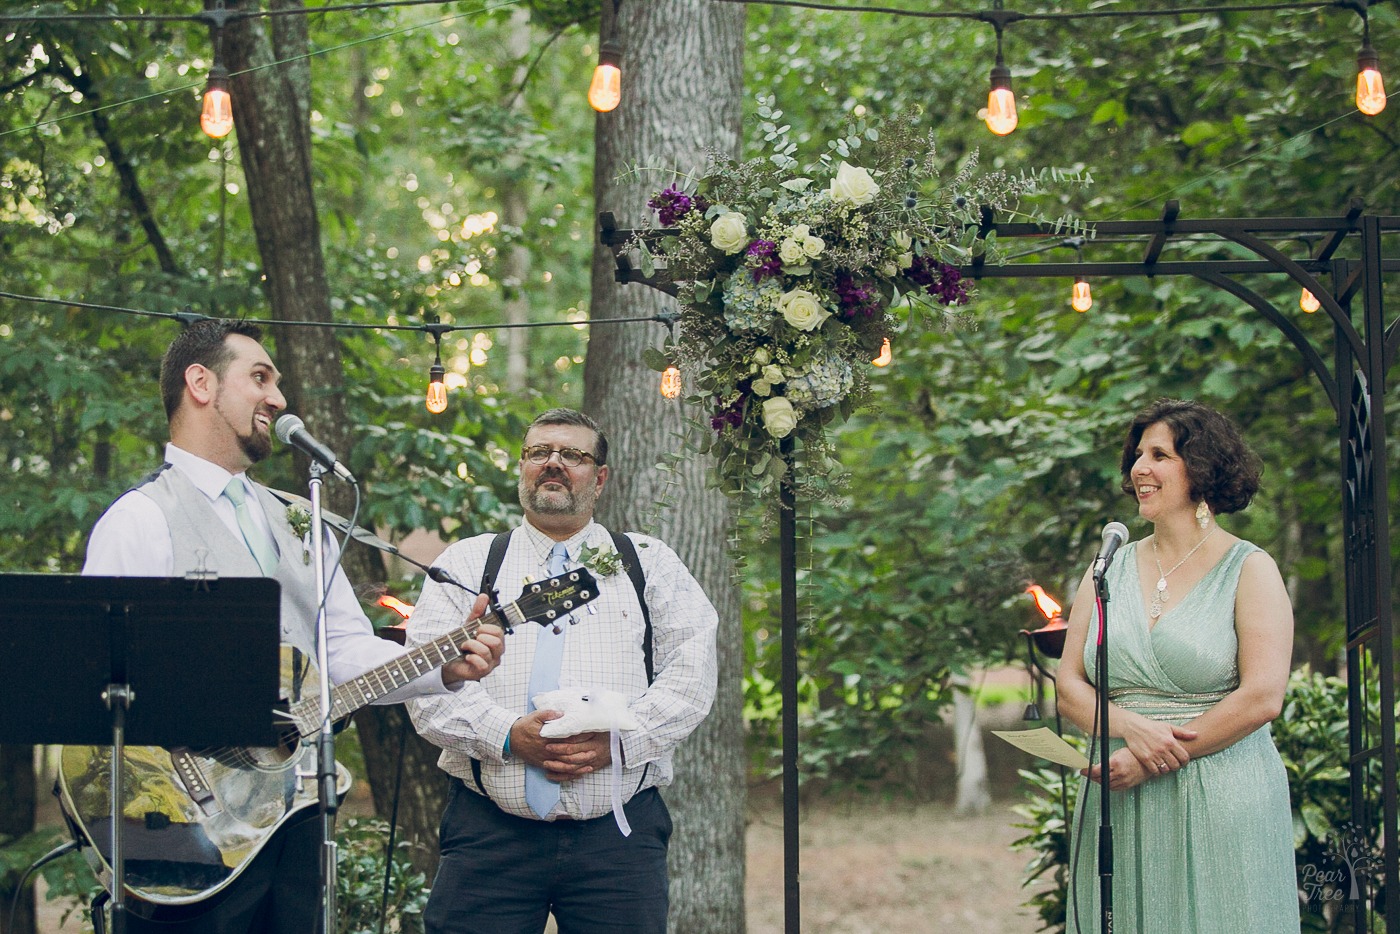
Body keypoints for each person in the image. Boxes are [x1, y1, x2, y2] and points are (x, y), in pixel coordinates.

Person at [79, 318, 505, 934]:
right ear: (200, 383)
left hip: (297, 811)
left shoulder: (300, 519)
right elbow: (98, 683)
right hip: (182, 826)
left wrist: (443, 664)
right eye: (260, 378)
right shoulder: (140, 520)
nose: (278, 399)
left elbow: (344, 655)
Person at [406, 407, 719, 934]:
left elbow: (691, 677)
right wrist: (506, 736)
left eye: (572, 455)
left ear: (599, 478)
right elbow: (427, 687)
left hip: (619, 842)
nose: (553, 464)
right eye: (538, 453)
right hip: (488, 837)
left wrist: (619, 742)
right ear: (522, 468)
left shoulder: (648, 562)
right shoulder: (466, 564)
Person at [1057, 398, 1299, 933]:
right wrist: (1128, 730)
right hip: (1117, 793)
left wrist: (1152, 759)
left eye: (1160, 455)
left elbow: (1262, 696)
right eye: (1139, 455)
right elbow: (1069, 686)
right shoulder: (1107, 567)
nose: (1140, 468)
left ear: (1203, 469)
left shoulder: (1251, 568)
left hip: (1222, 794)